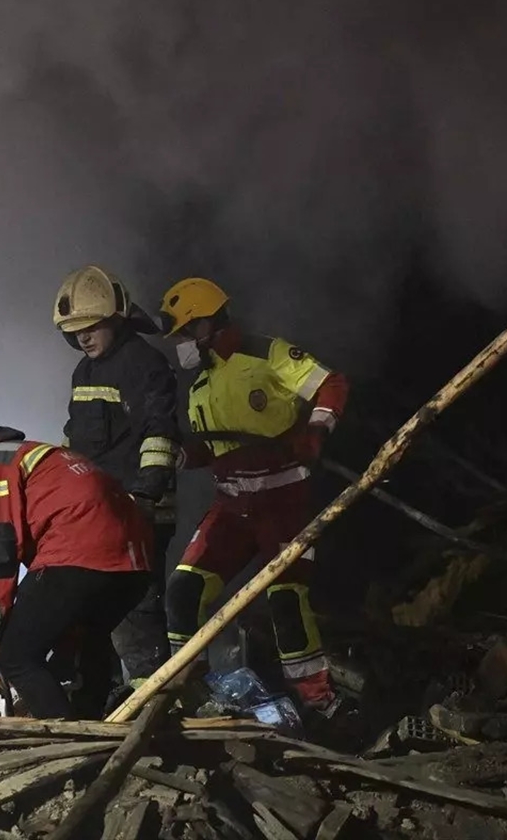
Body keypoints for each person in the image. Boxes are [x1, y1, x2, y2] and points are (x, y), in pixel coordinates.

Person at [158, 277, 349, 715]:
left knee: (285, 599)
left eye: (186, 333)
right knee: (183, 592)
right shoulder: (200, 385)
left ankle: (320, 706)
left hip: (285, 503)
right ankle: (191, 697)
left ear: (207, 323)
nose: (181, 344)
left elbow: (330, 383)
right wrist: (183, 456)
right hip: (231, 507)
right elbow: (216, 447)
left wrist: (317, 429)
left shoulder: (266, 353)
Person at [0, 408, 153, 720]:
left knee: (17, 658)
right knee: (86, 642)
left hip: (79, 551)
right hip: (134, 561)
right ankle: (92, 729)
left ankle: (68, 751)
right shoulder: (21, 452)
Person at [53, 265, 180, 689]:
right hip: (98, 512)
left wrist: (144, 496)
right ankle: (101, 694)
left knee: (135, 605)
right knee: (90, 603)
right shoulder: (83, 373)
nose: (83, 338)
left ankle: (151, 693)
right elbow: (77, 443)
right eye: (75, 332)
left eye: (91, 327)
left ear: (116, 320)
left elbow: (158, 433)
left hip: (140, 508)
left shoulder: (144, 364)